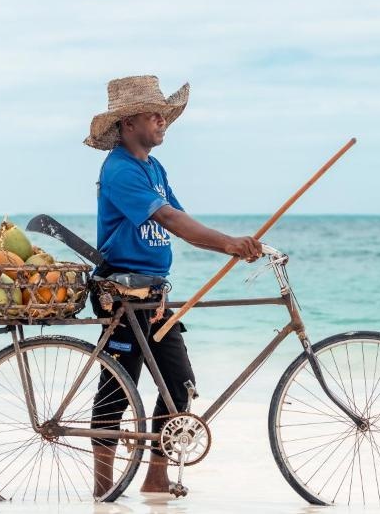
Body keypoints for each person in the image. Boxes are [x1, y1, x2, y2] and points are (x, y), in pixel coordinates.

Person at [83, 75, 262, 498]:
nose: (162, 121)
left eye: (164, 114)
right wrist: (228, 244)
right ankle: (103, 489)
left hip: (154, 296)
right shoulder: (120, 170)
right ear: (127, 124)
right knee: (117, 389)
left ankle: (155, 477)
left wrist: (230, 243)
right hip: (121, 294)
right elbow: (169, 220)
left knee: (178, 384)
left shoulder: (153, 167)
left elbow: (182, 218)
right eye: (153, 115)